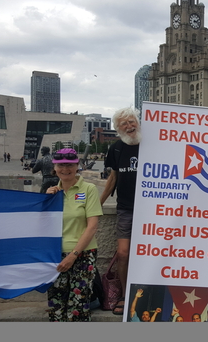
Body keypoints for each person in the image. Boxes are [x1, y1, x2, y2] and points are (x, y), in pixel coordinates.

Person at [45, 148, 102, 322]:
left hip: (82, 254)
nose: (65, 169)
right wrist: (46, 201)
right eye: (61, 165)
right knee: (56, 305)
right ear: (54, 168)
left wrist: (73, 255)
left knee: (78, 307)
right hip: (55, 255)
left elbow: (92, 227)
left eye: (70, 164)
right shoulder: (53, 193)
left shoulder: (89, 189)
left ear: (77, 166)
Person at [100, 107, 141, 315]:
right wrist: (97, 204)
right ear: (118, 128)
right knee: (123, 254)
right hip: (125, 209)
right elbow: (113, 179)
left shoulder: (151, 146)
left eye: (132, 121)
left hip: (150, 211)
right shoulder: (116, 148)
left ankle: (147, 293)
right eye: (124, 123)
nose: (129, 126)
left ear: (138, 122)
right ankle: (125, 295)